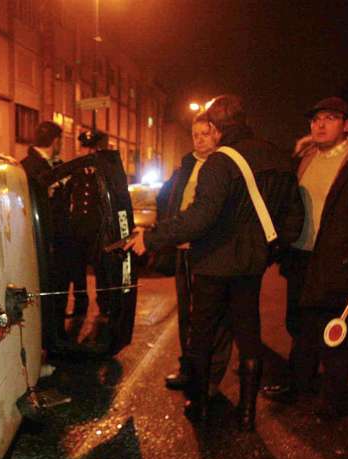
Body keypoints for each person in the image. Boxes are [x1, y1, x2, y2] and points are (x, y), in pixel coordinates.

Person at [126, 95, 303, 431]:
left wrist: (151, 238)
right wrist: (272, 250)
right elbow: (295, 215)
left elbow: (200, 217)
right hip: (251, 266)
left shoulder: (220, 163)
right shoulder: (278, 158)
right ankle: (247, 414)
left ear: (218, 128)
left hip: (212, 263)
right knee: (249, 335)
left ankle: (199, 405)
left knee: (202, 335)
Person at [263, 97, 348, 419]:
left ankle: (333, 398)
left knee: (335, 330)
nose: (319, 124)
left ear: (347, 125)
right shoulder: (305, 158)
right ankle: (299, 383)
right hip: (301, 258)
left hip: (339, 263)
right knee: (300, 326)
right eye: (316, 118)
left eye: (330, 118)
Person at [157, 113, 234, 394]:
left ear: (218, 134)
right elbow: (169, 200)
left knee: (213, 317)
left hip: (211, 253)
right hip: (184, 251)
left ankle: (211, 375)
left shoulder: (224, 165)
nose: (199, 139)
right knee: (187, 316)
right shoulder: (186, 166)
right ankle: (188, 367)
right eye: (195, 134)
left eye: (206, 133)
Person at [21, 121, 67, 349]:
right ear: (55, 141)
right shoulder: (31, 168)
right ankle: (47, 346)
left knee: (53, 296)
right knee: (45, 298)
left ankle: (54, 342)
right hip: (42, 244)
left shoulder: (47, 165)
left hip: (52, 245)